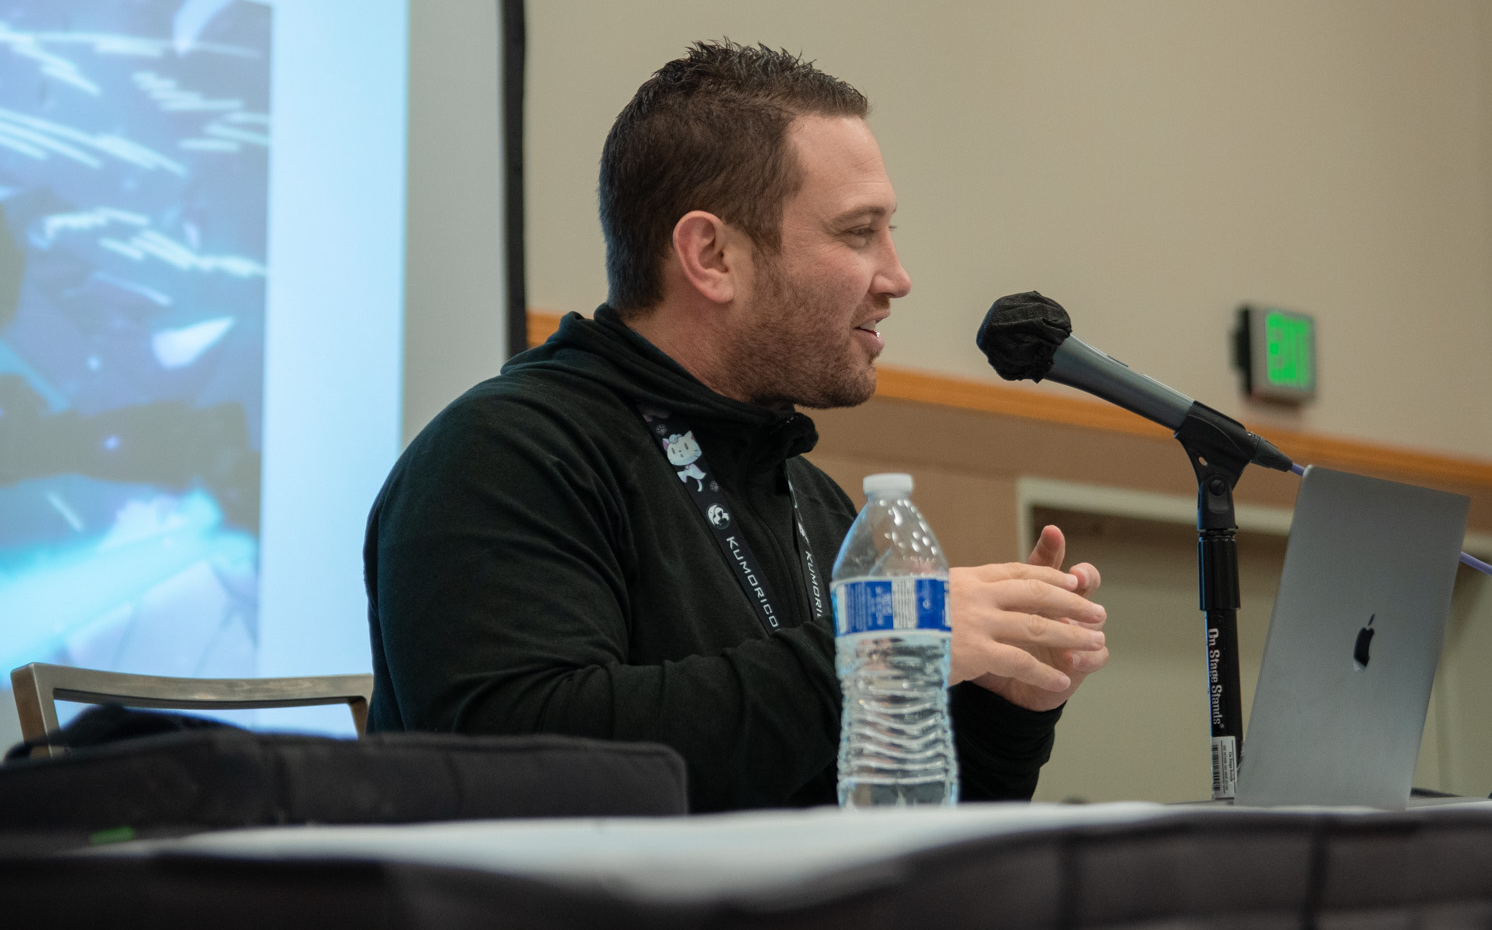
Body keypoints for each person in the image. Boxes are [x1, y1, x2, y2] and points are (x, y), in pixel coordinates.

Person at [364, 43, 1109, 810]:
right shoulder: (501, 456)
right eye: (859, 232)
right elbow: (526, 764)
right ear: (712, 255)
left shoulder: (810, 498)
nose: (897, 276)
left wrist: (1008, 711)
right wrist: (869, 654)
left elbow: (894, 818)